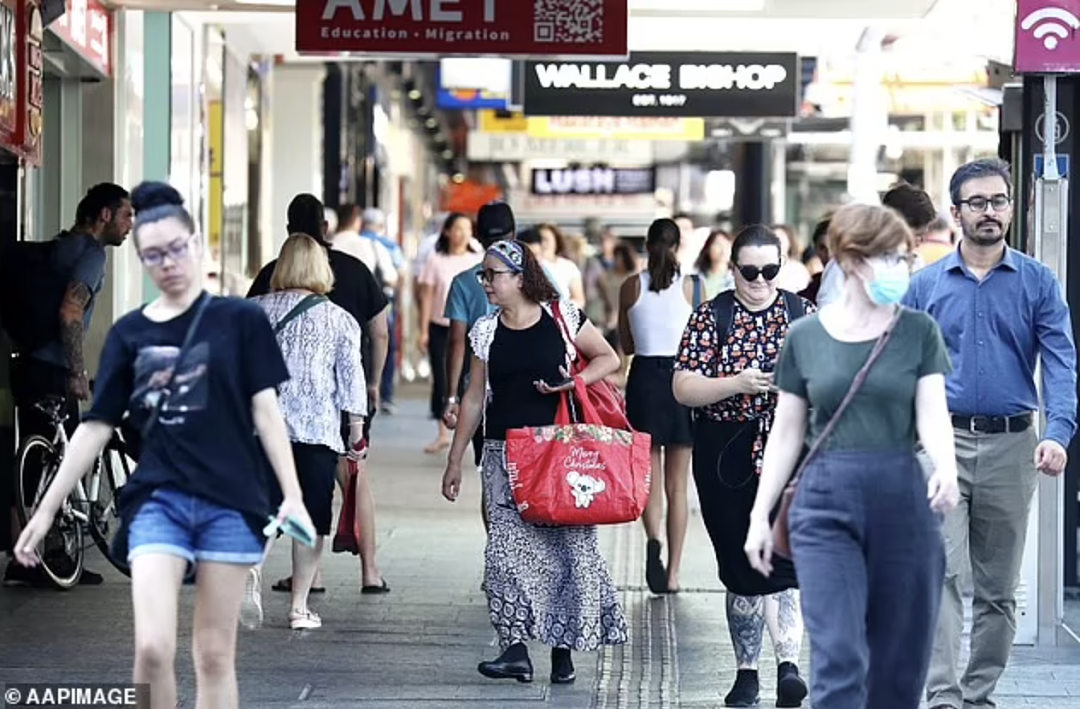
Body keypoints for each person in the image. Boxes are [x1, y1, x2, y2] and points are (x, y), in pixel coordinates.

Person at [13, 181, 313, 709]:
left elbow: (266, 413)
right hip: (158, 507)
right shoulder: (133, 334)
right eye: (154, 253)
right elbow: (96, 428)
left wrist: (290, 495)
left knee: (214, 654)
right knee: (152, 649)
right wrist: (42, 512)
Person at [744, 203, 960, 709]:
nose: (900, 268)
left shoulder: (917, 332)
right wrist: (760, 514)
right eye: (889, 257)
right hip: (825, 502)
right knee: (839, 655)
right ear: (853, 260)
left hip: (902, 498)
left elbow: (932, 411)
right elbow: (786, 431)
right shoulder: (806, 336)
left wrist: (947, 469)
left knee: (898, 666)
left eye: (904, 257)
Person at [902, 158, 1077, 709]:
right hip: (939, 446)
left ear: (1010, 208)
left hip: (1013, 446)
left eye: (997, 201)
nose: (989, 212)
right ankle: (945, 698)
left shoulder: (1037, 282)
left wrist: (1060, 432)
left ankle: (978, 694)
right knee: (940, 576)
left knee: (998, 591)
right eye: (976, 203)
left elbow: (1061, 364)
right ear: (955, 213)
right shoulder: (923, 286)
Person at [440, 239, 628, 684]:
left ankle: (562, 652)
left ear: (520, 278)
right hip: (504, 453)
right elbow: (473, 396)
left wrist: (574, 382)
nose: (484, 282)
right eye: (482, 275)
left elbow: (609, 357)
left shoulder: (562, 318)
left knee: (565, 553)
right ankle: (515, 649)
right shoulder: (485, 331)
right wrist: (454, 459)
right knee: (503, 553)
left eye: (492, 275)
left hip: (560, 453)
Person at [672, 224, 812, 708]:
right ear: (731, 269)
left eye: (769, 270)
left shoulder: (801, 313)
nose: (759, 279)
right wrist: (737, 384)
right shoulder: (712, 316)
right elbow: (683, 386)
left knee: (784, 562)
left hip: (787, 448)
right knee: (739, 564)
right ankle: (747, 672)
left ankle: (789, 666)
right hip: (723, 451)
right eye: (749, 270)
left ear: (781, 267)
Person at [247, 194, 390, 597]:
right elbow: (379, 333)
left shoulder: (261, 294)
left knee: (269, 504)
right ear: (325, 229)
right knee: (345, 486)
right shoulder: (354, 278)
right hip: (325, 419)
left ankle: (263, 577)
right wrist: (368, 398)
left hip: (266, 423)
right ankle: (369, 572)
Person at [4, 182, 133, 588]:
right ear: (105, 216)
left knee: (32, 466)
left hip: (25, 364)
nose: (132, 225)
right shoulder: (91, 255)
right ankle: (46, 555)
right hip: (52, 371)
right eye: (127, 215)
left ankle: (27, 555)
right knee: (63, 462)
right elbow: (71, 312)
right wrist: (77, 371)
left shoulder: (59, 247)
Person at [250, 233, 367, 630]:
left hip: (261, 430)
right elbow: (351, 381)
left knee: (263, 509)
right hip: (316, 433)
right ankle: (299, 607)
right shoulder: (339, 319)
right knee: (311, 519)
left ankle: (251, 571)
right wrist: (356, 433)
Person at [618, 218, 699, 597]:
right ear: (678, 246)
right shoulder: (693, 286)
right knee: (677, 485)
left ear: (647, 245)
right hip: (682, 380)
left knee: (649, 479)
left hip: (645, 380)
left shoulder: (631, 286)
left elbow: (627, 344)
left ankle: (653, 542)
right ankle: (674, 574)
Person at [441, 201, 515, 531]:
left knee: (491, 475)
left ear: (479, 236)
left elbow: (456, 341)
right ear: (514, 234)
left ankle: (499, 549)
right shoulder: (542, 277)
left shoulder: (462, 282)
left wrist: (451, 396)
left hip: (481, 394)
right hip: (534, 392)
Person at [418, 212, 482, 454]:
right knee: (442, 378)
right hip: (441, 326)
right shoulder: (436, 260)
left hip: (471, 328)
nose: (463, 233)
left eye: (467, 228)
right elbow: (426, 296)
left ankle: (467, 431)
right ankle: (443, 432)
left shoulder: (478, 259)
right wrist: (423, 329)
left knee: (470, 378)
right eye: (457, 228)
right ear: (446, 231)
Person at [694, 228, 734, 298]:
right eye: (718, 244)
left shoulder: (736, 279)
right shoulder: (696, 278)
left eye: (727, 245)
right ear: (708, 248)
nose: (723, 249)